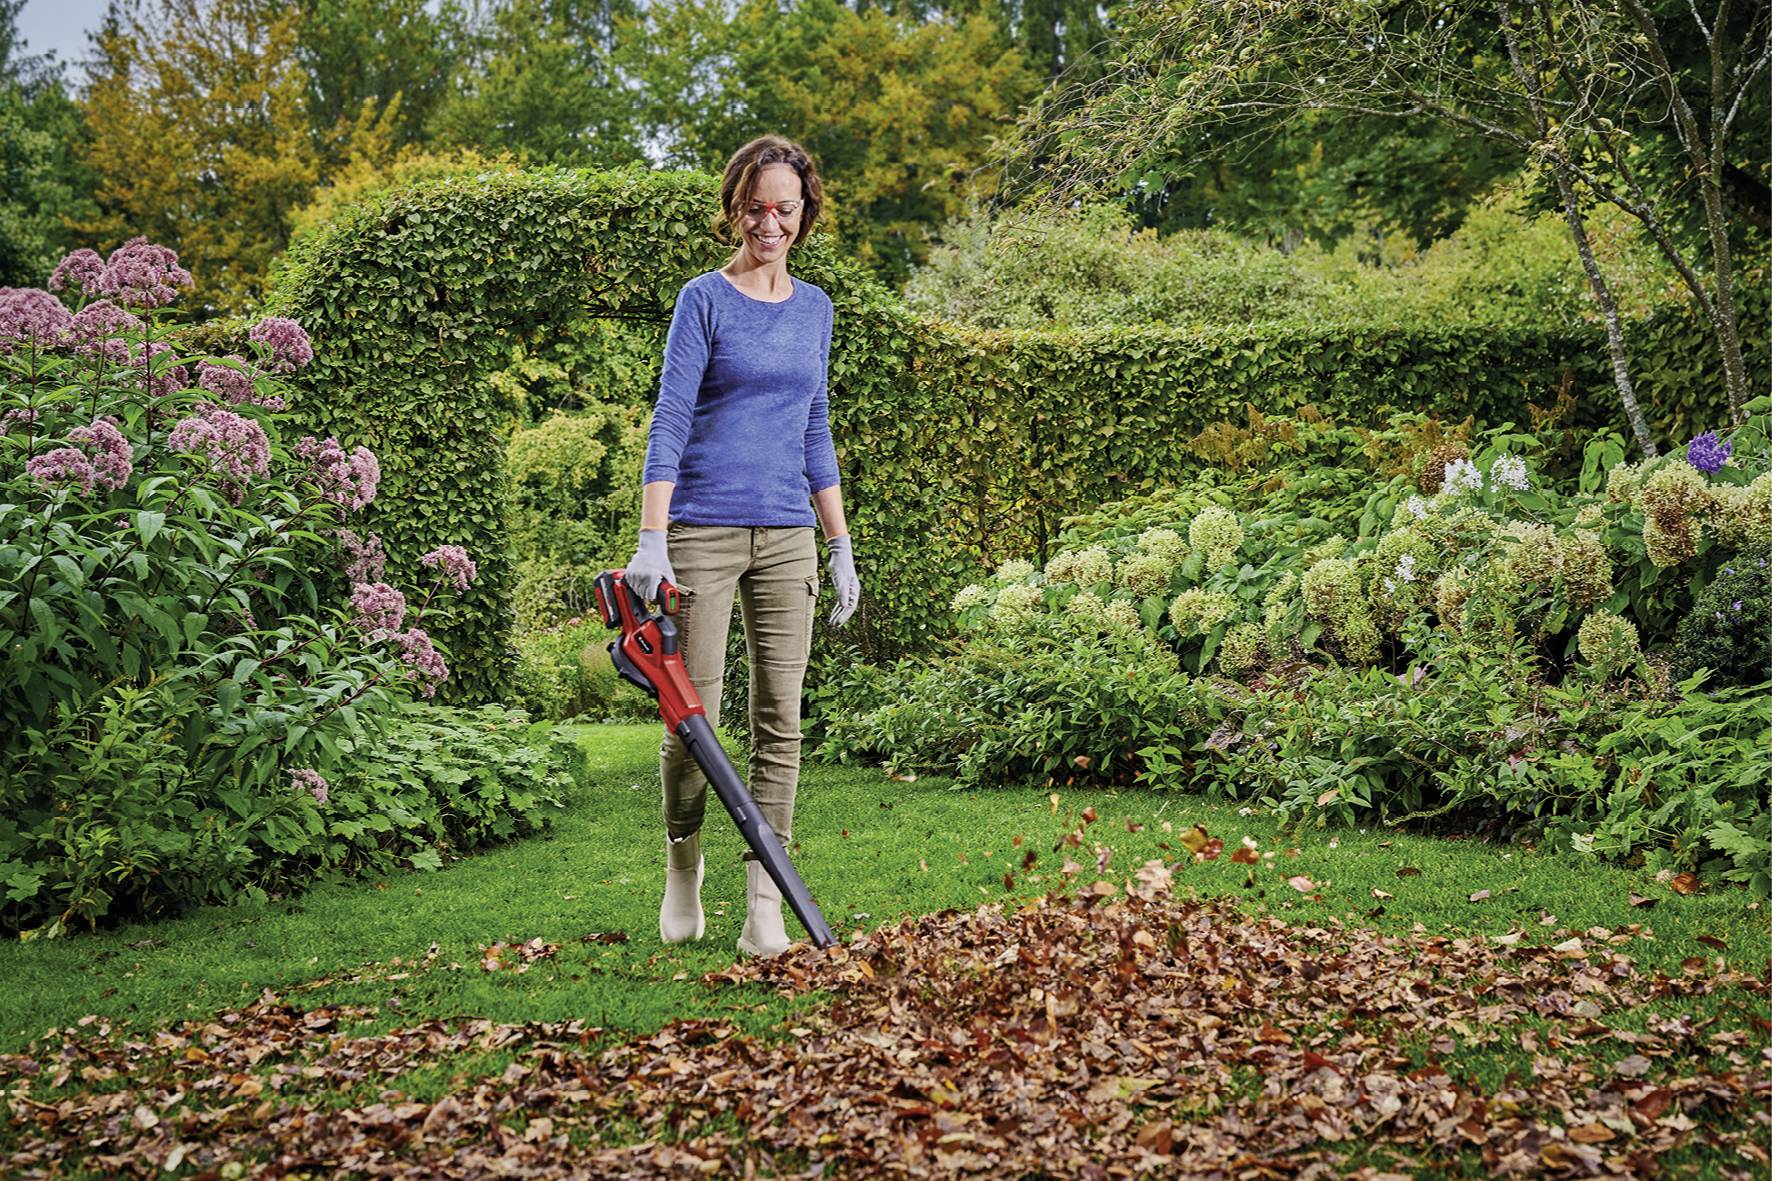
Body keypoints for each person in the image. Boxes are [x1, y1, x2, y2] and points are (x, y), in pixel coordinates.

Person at [624, 135, 861, 958]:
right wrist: (653, 536)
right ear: (737, 207)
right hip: (703, 531)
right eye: (757, 206)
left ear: (805, 212)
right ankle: (682, 861)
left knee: (781, 720)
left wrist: (839, 543)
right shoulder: (705, 300)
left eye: (785, 208)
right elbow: (671, 417)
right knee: (694, 720)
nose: (771, 222)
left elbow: (816, 427)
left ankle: (764, 899)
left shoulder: (817, 308)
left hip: (789, 532)